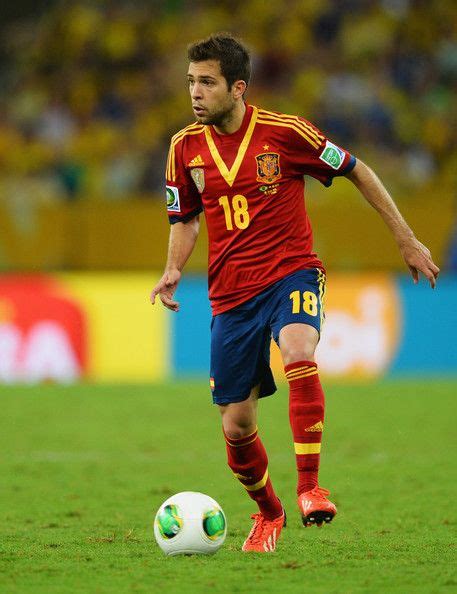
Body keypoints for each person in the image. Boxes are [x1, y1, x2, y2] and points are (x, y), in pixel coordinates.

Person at [151, 33, 440, 553]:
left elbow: (357, 170)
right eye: (191, 81)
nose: (195, 92)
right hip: (231, 295)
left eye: (207, 82)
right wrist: (173, 268)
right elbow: (185, 218)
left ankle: (311, 488)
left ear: (237, 88)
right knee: (237, 426)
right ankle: (270, 513)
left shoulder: (286, 133)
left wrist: (406, 237)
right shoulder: (182, 148)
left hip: (292, 273)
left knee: (300, 347)